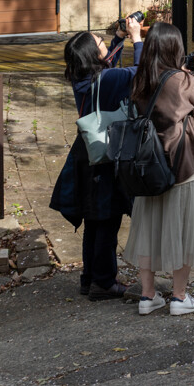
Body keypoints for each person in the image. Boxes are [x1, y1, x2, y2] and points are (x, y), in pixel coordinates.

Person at [122, 22, 194, 317]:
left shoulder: (140, 78)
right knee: (186, 230)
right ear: (174, 48)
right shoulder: (181, 80)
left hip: (149, 166)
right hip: (181, 164)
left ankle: (148, 296)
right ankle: (178, 297)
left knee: (150, 231)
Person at [64, 15, 143, 301]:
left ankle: (90, 278)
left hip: (87, 155)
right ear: (93, 55)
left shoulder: (82, 77)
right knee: (107, 220)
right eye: (100, 43)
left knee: (94, 220)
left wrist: (118, 40)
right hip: (105, 157)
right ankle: (105, 282)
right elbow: (139, 71)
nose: (104, 45)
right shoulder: (106, 79)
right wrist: (136, 39)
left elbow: (109, 62)